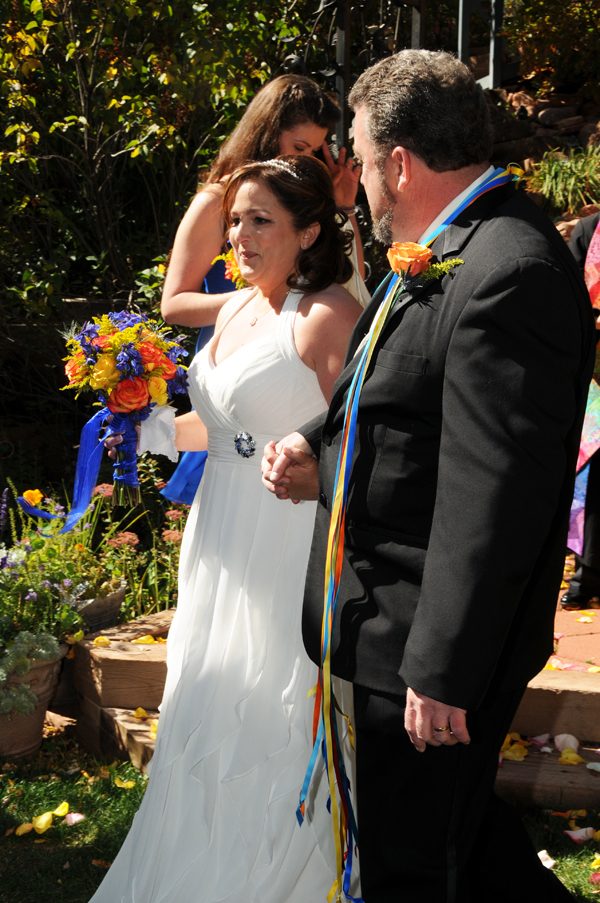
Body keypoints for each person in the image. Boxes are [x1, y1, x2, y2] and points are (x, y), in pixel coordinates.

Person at [262, 50, 594, 902]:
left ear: (399, 163)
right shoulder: (446, 246)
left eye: (364, 162)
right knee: (464, 850)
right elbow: (401, 395)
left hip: (429, 652)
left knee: (419, 868)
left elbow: (496, 494)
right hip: (391, 631)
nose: (361, 185)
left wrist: (442, 668)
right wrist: (317, 444)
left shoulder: (506, 269)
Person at [89, 154, 362, 903]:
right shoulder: (238, 305)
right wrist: (149, 428)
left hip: (288, 536)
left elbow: (371, 434)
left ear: (309, 232)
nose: (238, 234)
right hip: (220, 536)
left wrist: (318, 462)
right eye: (236, 218)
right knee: (208, 695)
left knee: (275, 700)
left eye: (260, 220)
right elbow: (227, 426)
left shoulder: (327, 313)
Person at [160, 73, 368, 505]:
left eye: (315, 150)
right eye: (299, 148)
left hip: (301, 359)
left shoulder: (306, 212)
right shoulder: (216, 202)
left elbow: (353, 280)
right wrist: (256, 301)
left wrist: (341, 206)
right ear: (266, 130)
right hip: (242, 360)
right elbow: (173, 303)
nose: (310, 159)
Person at [562, 210, 600, 608]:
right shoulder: (590, 230)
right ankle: (586, 575)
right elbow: (567, 296)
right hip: (595, 376)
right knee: (591, 479)